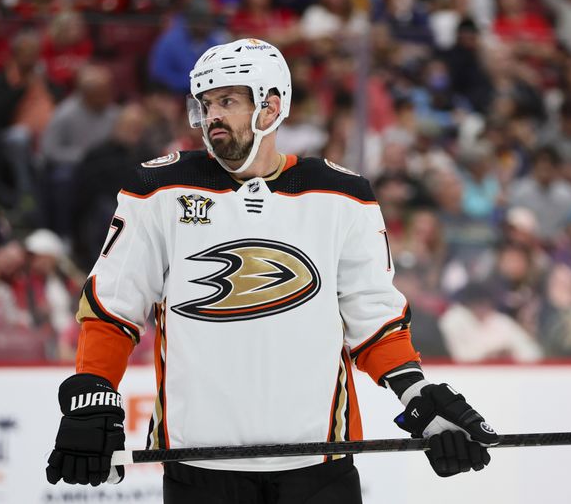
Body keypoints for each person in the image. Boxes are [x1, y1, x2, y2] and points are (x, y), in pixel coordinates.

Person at [45, 38, 498, 501]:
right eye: (204, 104)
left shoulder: (344, 196)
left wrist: (417, 395)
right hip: (198, 467)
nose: (212, 116)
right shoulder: (158, 189)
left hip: (320, 463)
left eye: (227, 100)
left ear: (270, 106)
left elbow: (374, 319)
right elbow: (113, 305)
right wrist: (93, 395)